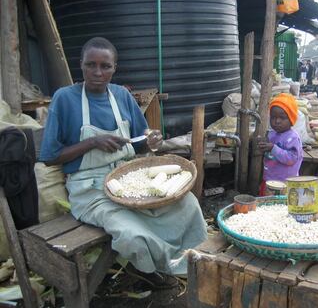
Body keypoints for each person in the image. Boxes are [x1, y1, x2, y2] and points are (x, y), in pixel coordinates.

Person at [39, 37, 207, 287]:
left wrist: (152, 140)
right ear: (81, 66)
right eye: (91, 65)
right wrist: (92, 143)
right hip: (89, 190)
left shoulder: (121, 96)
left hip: (129, 179)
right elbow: (50, 156)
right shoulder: (65, 98)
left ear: (114, 67)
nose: (98, 72)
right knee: (132, 234)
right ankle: (149, 270)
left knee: (188, 205)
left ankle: (191, 264)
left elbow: (139, 142)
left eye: (105, 66)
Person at [257, 93, 303, 196]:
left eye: (282, 118)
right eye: (273, 117)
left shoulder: (293, 138)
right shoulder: (271, 134)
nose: (277, 121)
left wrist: (273, 148)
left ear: (291, 120)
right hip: (269, 178)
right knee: (266, 205)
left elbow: (291, 159)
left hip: (285, 182)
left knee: (281, 206)